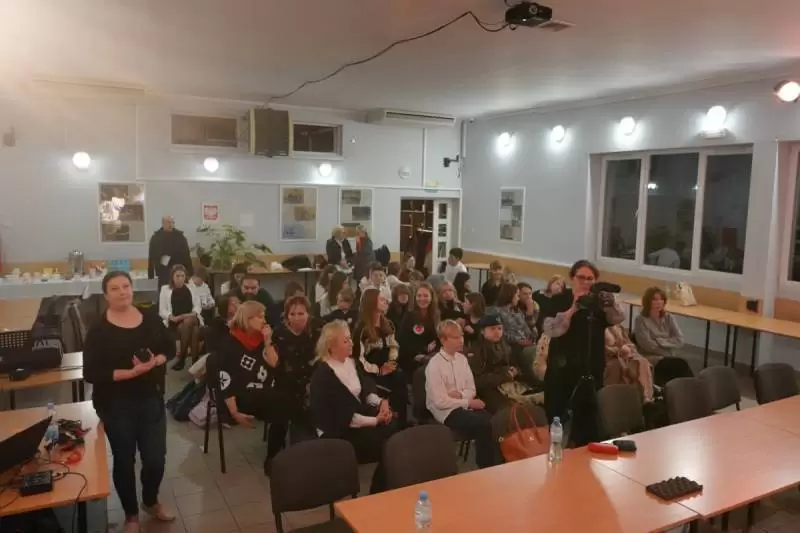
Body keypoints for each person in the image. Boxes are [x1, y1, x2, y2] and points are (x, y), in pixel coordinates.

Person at [84, 272, 175, 533]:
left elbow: (169, 348)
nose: (122, 292)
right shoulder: (98, 329)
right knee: (124, 460)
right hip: (116, 403)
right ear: (106, 295)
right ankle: (131, 515)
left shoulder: (151, 318)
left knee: (156, 458)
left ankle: (150, 501)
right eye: (115, 288)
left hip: (150, 398)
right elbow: (91, 372)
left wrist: (155, 362)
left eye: (126, 286)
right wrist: (130, 373)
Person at [543, 260, 625, 446]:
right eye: (582, 277)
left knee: (588, 421)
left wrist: (611, 304)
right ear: (572, 278)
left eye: (590, 279)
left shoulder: (598, 302)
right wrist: (574, 307)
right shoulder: (559, 299)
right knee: (558, 418)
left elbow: (618, 318)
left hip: (592, 367)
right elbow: (551, 330)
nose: (586, 282)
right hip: (562, 369)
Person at [309, 321, 397, 494]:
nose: (351, 343)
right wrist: (376, 420)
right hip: (338, 430)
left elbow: (365, 391)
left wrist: (381, 403)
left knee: (393, 428)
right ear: (331, 346)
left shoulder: (351, 363)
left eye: (350, 339)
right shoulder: (323, 376)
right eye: (345, 341)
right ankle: (378, 489)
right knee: (388, 445)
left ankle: (385, 483)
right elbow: (346, 417)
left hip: (358, 417)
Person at [216, 301, 284, 473]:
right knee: (281, 403)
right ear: (247, 319)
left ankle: (275, 455)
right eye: (259, 317)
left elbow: (274, 364)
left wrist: (267, 341)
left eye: (264, 316)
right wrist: (234, 413)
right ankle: (274, 457)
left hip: (265, 390)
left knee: (284, 404)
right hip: (240, 394)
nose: (264, 320)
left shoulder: (263, 339)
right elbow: (225, 380)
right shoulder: (230, 343)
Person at [425, 320, 497, 469]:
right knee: (483, 425)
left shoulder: (462, 359)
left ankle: (494, 463)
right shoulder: (434, 365)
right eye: (456, 337)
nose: (461, 340)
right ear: (443, 340)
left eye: (462, 336)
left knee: (494, 421)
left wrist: (459, 395)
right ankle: (486, 467)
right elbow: (440, 402)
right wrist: (467, 402)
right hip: (446, 411)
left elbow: (471, 389)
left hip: (462, 404)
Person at [271, 295, 321, 453]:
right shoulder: (279, 333)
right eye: (292, 314)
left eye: (301, 314)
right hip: (286, 382)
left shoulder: (317, 331)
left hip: (311, 381)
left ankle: (311, 449)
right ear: (286, 316)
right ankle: (273, 455)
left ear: (308, 314)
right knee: (281, 410)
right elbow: (275, 364)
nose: (297, 318)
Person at [352, 288, 407, 424]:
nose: (386, 301)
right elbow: (359, 358)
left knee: (399, 376)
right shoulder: (361, 329)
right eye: (382, 299)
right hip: (369, 372)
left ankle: (401, 418)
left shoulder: (388, 324)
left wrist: (391, 363)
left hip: (387, 366)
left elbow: (393, 346)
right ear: (372, 302)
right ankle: (389, 418)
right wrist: (379, 370)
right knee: (394, 381)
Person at [468, 314, 532, 414]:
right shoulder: (476, 350)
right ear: (482, 331)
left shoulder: (506, 346)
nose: (497, 332)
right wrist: (504, 376)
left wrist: (515, 371)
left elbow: (517, 365)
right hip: (490, 390)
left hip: (509, 384)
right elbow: (477, 381)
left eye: (499, 328)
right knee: (509, 411)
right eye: (492, 329)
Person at [158, 265, 202, 371]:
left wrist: (185, 315)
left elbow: (198, 306)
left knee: (188, 321)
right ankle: (195, 361)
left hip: (191, 317)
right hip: (175, 320)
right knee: (194, 331)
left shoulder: (191, 287)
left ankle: (182, 358)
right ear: (172, 277)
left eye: (182, 276)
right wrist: (170, 317)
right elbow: (162, 310)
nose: (180, 278)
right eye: (177, 276)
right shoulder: (165, 289)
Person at [397, 282, 440, 377]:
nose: (422, 299)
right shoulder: (409, 316)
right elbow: (402, 341)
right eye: (419, 296)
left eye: (426, 296)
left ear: (431, 298)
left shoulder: (436, 315)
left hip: (431, 355)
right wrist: (420, 352)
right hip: (412, 358)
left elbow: (437, 338)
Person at [604, 324, 655, 402]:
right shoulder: (599, 329)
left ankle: (645, 396)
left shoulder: (619, 327)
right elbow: (602, 348)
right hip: (609, 358)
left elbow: (630, 344)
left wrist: (629, 348)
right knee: (619, 366)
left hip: (626, 355)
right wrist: (618, 350)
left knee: (642, 361)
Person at [634, 286, 685, 361]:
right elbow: (647, 345)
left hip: (669, 355)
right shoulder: (641, 320)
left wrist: (659, 341)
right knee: (676, 363)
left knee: (680, 364)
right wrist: (667, 348)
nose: (659, 302)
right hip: (649, 356)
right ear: (648, 302)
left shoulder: (669, 317)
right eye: (655, 300)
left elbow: (680, 340)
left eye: (661, 299)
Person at [147, 215, 193, 288]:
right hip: (163, 271)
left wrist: (190, 272)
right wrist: (150, 274)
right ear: (163, 223)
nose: (171, 224)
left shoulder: (180, 236)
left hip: (179, 269)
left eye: (172, 222)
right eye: (168, 222)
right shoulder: (156, 237)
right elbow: (151, 255)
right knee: (165, 291)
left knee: (180, 290)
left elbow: (187, 254)